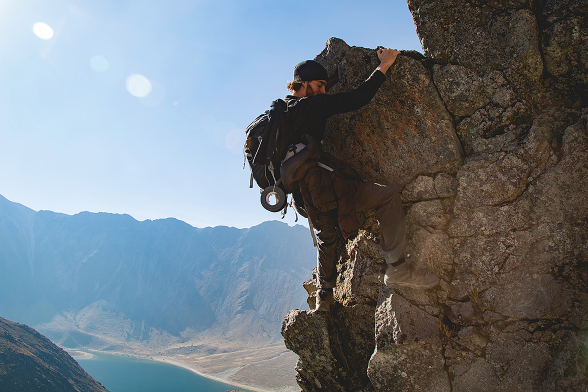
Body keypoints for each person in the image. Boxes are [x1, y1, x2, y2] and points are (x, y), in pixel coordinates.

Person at [281, 49, 439, 311]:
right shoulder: (314, 105)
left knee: (325, 235)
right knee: (387, 196)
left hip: (301, 196)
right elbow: (358, 98)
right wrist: (384, 65)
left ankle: (324, 298)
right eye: (320, 85)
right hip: (323, 187)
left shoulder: (280, 112)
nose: (323, 91)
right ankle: (397, 269)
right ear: (305, 84)